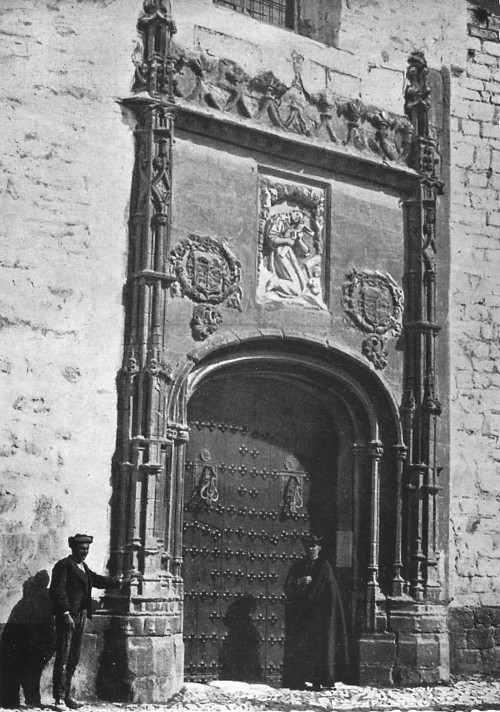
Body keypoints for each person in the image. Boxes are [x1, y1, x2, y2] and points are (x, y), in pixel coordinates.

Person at [49, 534, 122, 710]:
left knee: (74, 657)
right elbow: (56, 592)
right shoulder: (64, 566)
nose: (85, 552)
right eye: (82, 549)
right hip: (67, 617)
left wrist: (119, 582)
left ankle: (68, 696)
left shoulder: (83, 567)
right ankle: (58, 698)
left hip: (81, 615)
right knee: (63, 657)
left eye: (87, 549)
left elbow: (97, 580)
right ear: (73, 548)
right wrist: (65, 613)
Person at [282, 533, 348, 690]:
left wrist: (309, 599)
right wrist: (299, 582)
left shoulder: (324, 566)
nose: (310, 549)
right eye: (308, 546)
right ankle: (301, 678)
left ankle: (320, 679)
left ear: (319, 548)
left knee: (319, 646)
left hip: (319, 615)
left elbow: (324, 590)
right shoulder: (299, 565)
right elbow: (288, 585)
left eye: (313, 546)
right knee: (302, 646)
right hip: (303, 615)